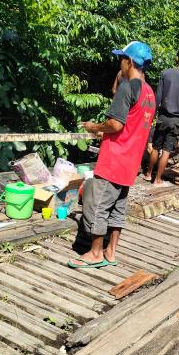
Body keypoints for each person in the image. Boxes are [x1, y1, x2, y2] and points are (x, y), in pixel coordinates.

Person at [68, 41, 156, 268]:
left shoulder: (129, 88)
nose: (120, 63)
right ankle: (110, 252)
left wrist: (93, 127)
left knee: (96, 205)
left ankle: (95, 253)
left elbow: (115, 125)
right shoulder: (149, 93)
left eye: (121, 59)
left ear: (129, 61)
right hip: (131, 162)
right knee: (118, 207)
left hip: (114, 159)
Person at [143, 46, 179, 186]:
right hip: (178, 120)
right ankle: (158, 179)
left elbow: (158, 97)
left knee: (156, 146)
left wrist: (153, 116)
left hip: (163, 117)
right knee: (167, 150)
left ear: (177, 58)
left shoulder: (165, 73)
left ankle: (149, 174)